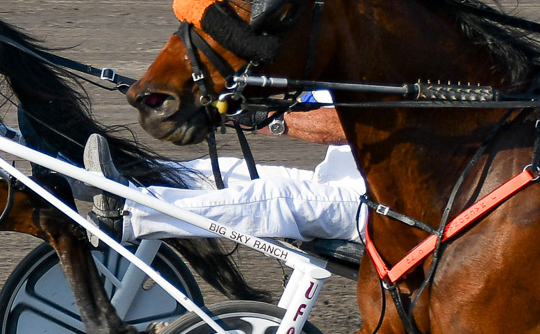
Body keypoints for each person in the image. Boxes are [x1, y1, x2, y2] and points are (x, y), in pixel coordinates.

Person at [86, 99, 363, 246]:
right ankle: (100, 182)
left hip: (376, 211)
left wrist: (270, 117)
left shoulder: (403, 64)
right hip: (331, 186)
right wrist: (234, 108)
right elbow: (300, 111)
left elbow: (344, 125)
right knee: (213, 171)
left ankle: (128, 215)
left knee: (275, 196)